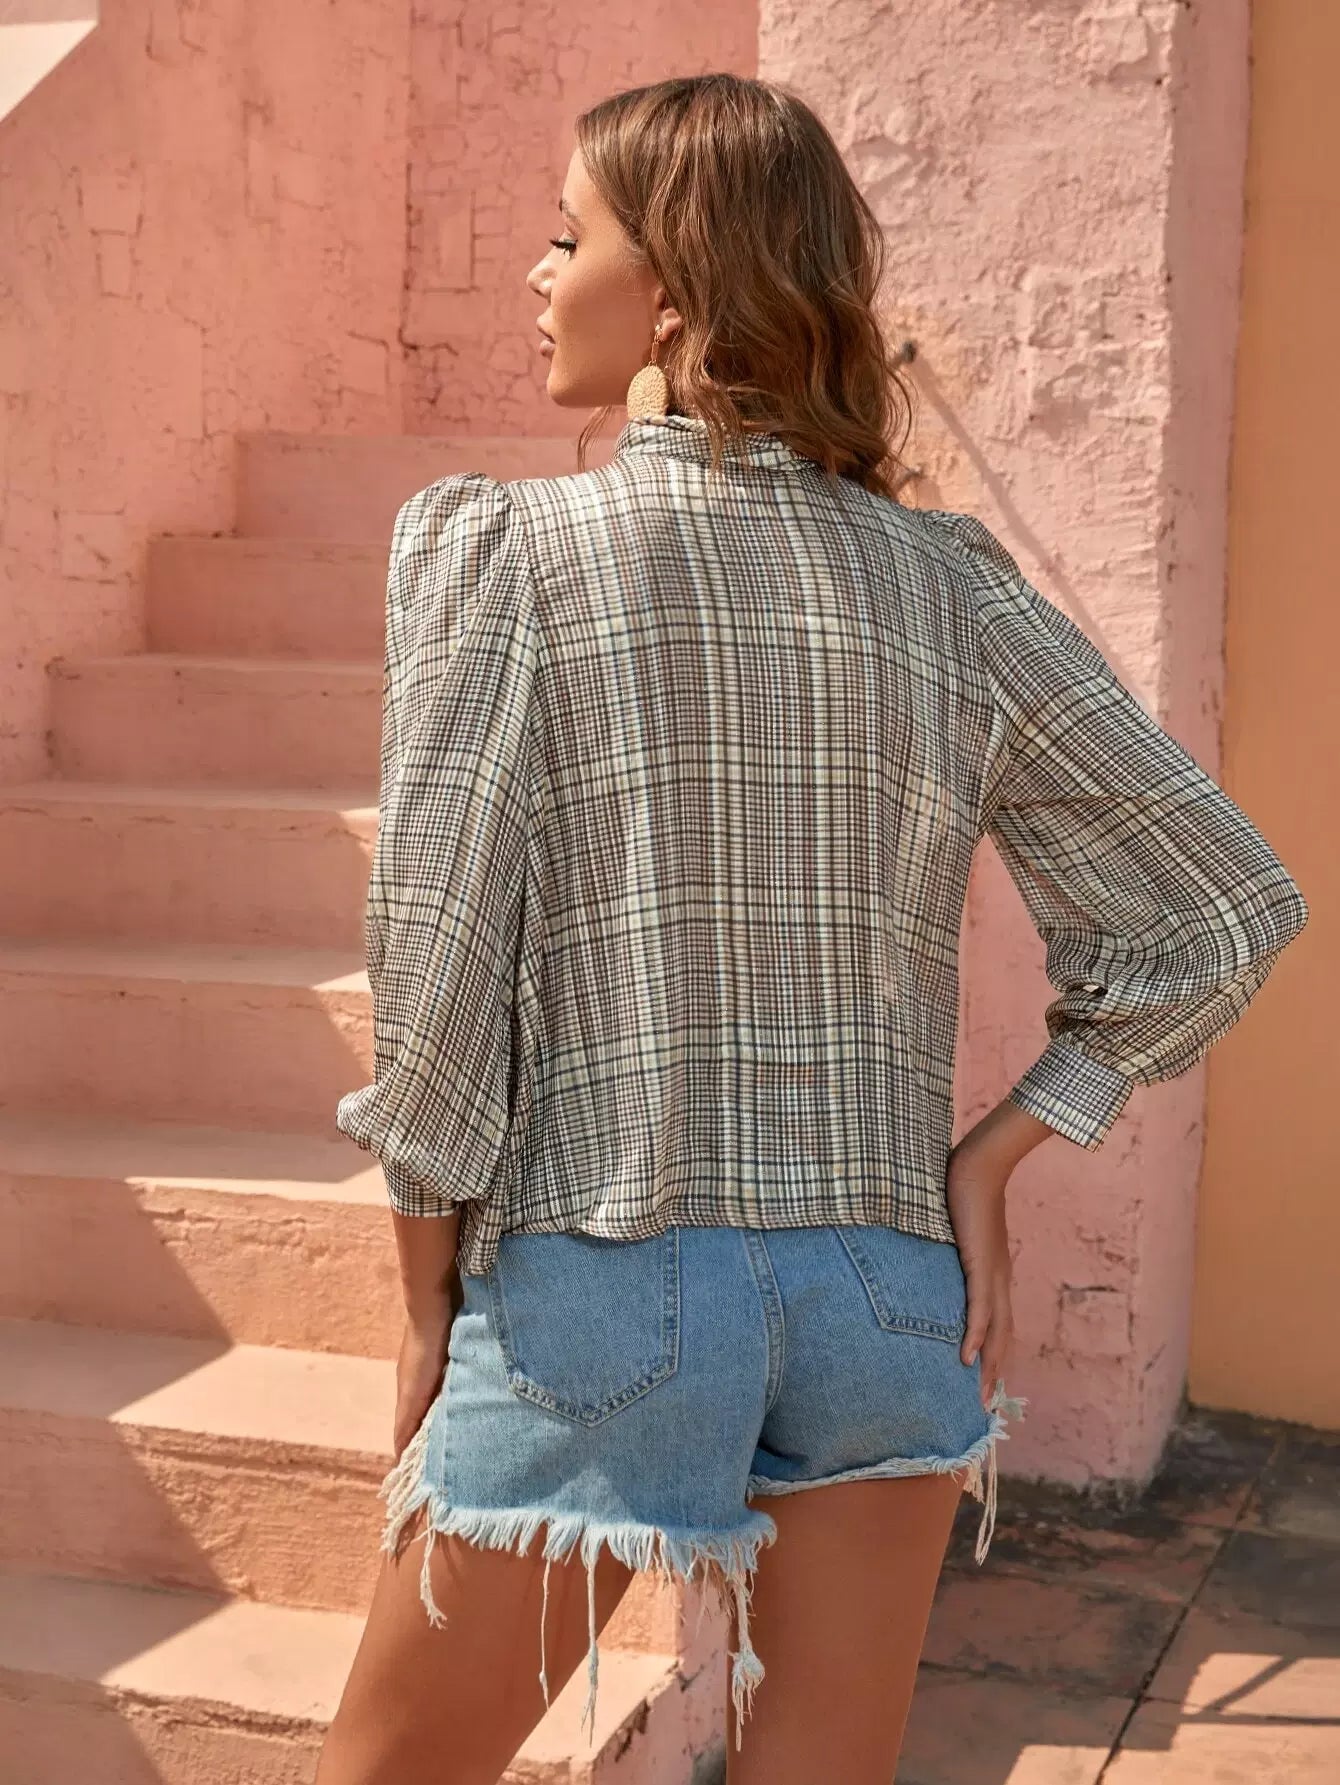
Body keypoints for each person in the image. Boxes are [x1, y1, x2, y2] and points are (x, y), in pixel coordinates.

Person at [314, 72, 1308, 1785]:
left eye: (567, 237)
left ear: (673, 293)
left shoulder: (508, 555)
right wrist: (1004, 1148)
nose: (537, 276)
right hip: (885, 1289)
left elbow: (438, 966)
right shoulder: (951, 582)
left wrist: (424, 1297)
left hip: (602, 1277)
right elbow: (1223, 903)